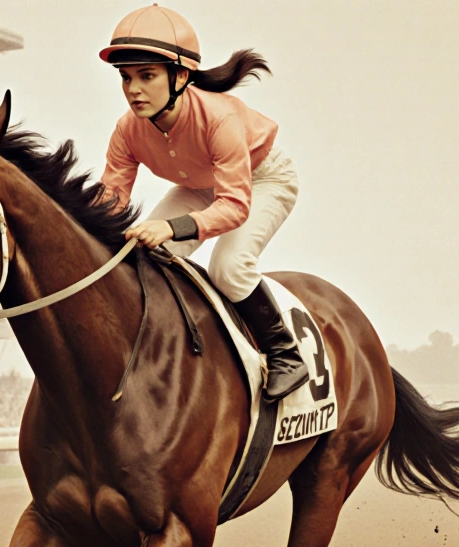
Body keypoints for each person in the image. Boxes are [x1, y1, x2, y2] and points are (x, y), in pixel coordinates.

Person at [97, 4, 308, 402]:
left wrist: (171, 227)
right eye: (126, 78)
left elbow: (233, 207)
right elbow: (111, 202)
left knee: (228, 268)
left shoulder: (218, 119)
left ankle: (285, 354)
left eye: (146, 76)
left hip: (263, 178)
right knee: (141, 258)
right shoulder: (127, 131)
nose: (133, 90)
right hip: (199, 183)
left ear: (180, 76)